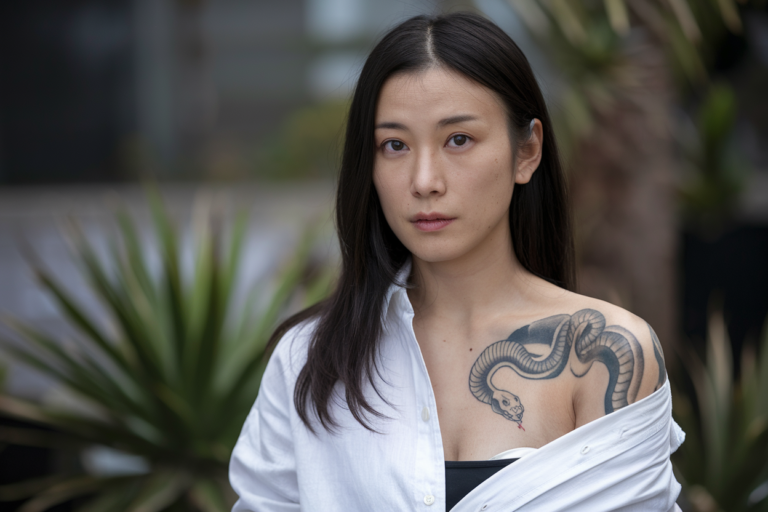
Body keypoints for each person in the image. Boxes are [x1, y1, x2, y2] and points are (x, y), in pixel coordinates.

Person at [230, 12, 684, 512]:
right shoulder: (309, 361)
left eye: (458, 140)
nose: (424, 180)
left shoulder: (603, 350)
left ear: (526, 151)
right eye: (395, 145)